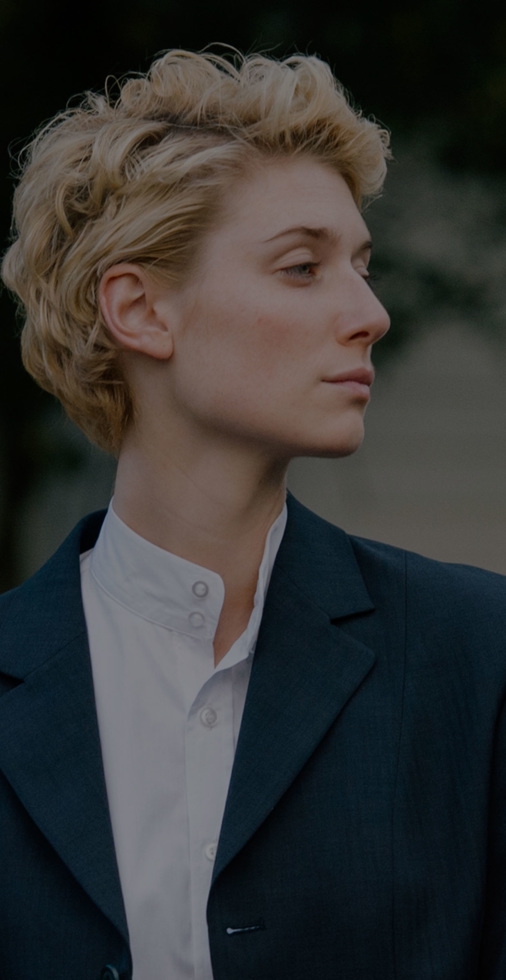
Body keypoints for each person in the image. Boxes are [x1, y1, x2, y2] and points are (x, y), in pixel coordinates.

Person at [1, 46, 505, 980]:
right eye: (303, 267)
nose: (371, 314)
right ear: (141, 310)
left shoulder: (479, 657)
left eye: (363, 266)